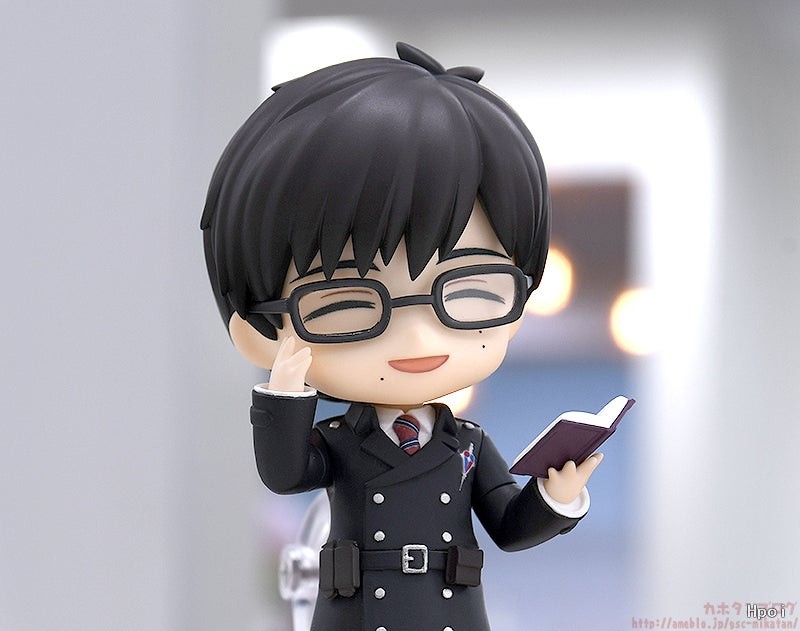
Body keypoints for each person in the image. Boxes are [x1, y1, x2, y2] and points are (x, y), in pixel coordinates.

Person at [201, 42, 602, 631]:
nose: (416, 336)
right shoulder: (339, 441)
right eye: (346, 303)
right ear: (263, 331)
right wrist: (285, 394)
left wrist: (555, 497)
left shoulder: (466, 444)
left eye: (466, 289)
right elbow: (284, 474)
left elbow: (509, 526)